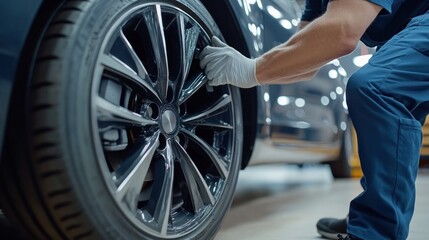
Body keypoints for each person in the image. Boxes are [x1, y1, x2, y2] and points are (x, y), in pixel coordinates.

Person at [199, 0, 429, 239]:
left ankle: (376, 231)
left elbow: (343, 32)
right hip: (410, 27)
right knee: (393, 109)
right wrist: (255, 68)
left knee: (376, 88)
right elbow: (308, 60)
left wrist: (252, 70)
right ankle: (375, 214)